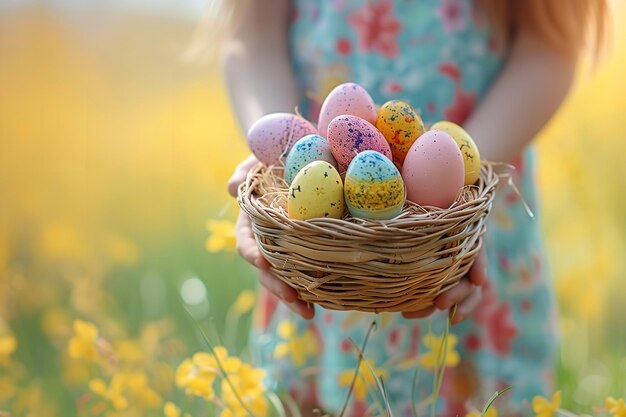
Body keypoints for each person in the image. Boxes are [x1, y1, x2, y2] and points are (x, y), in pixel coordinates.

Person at [219, 1, 609, 415]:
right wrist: (277, 166)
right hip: (320, 241)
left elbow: (551, 43)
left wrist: (459, 191)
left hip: (470, 219)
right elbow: (253, 35)